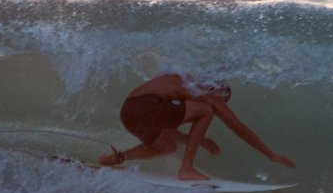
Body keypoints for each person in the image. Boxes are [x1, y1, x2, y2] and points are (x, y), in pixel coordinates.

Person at [98, 73, 295, 180]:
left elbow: (163, 121)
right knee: (205, 111)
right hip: (148, 106)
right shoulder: (207, 93)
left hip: (129, 112)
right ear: (217, 90)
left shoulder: (183, 80)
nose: (220, 106)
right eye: (222, 102)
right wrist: (271, 155)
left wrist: (196, 141)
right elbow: (240, 129)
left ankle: (119, 157)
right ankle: (186, 169)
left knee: (167, 146)